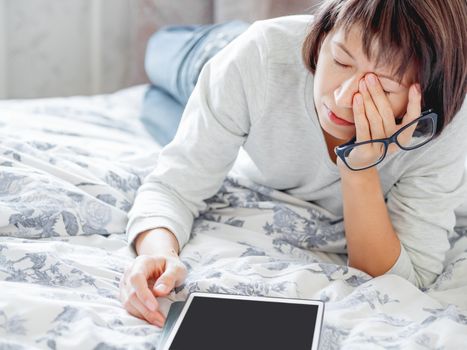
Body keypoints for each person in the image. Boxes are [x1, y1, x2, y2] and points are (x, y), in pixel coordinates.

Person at [119, 0, 467, 327]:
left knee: (158, 114)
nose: (342, 99)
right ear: (323, 35)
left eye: (383, 90)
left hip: (249, 96)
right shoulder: (258, 55)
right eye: (341, 61)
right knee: (160, 51)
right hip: (216, 52)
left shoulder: (444, 127)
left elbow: (406, 277)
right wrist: (158, 253)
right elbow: (173, 187)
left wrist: (358, 168)